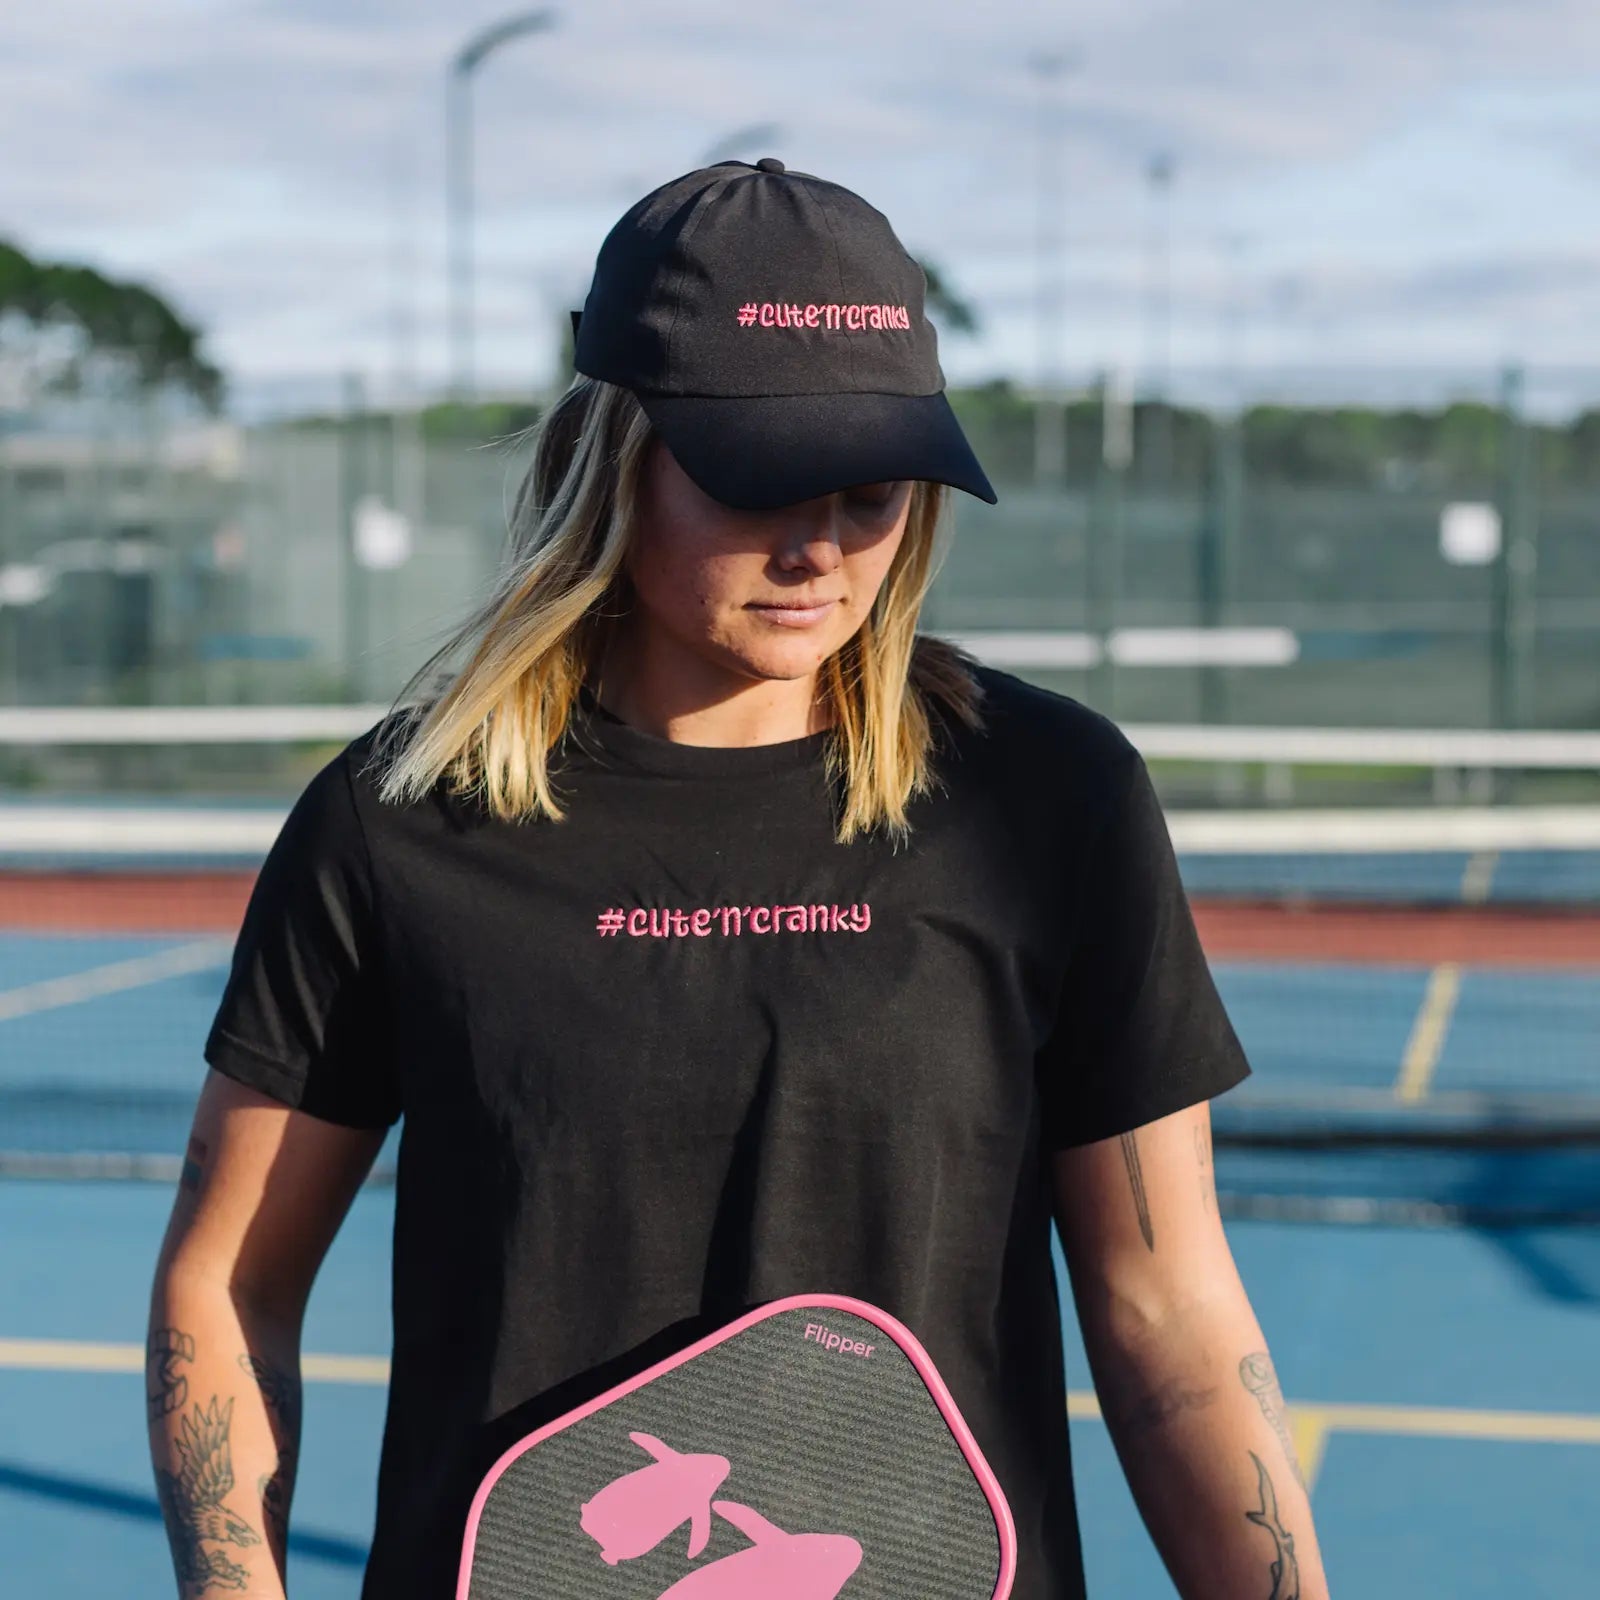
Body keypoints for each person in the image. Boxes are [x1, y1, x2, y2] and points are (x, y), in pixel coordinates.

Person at [146, 157, 1329, 1599]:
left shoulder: (1046, 799)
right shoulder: (399, 825)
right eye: (757, 479)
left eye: (872, 486)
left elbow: (1169, 1311)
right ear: (612, 455)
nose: (820, 544)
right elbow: (229, 1282)